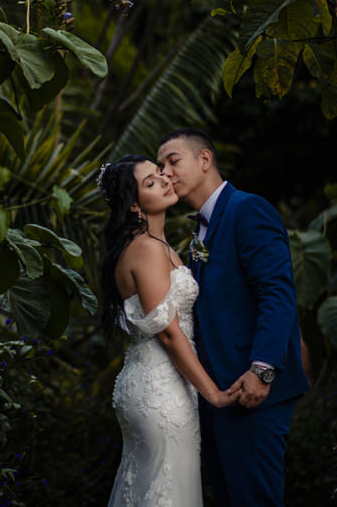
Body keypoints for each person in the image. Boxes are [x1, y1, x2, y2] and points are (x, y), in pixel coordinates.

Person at [156, 129, 310, 507]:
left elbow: (277, 292)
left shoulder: (247, 209)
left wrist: (263, 370)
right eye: (160, 166)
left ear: (204, 159)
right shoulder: (200, 230)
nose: (164, 172)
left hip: (253, 387)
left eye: (172, 161)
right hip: (218, 393)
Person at [98, 154, 239, 507]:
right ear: (133, 204)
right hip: (160, 390)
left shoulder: (158, 246)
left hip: (159, 382)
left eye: (159, 173)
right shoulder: (146, 249)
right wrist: (214, 394)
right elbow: (168, 332)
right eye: (149, 182)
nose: (163, 180)